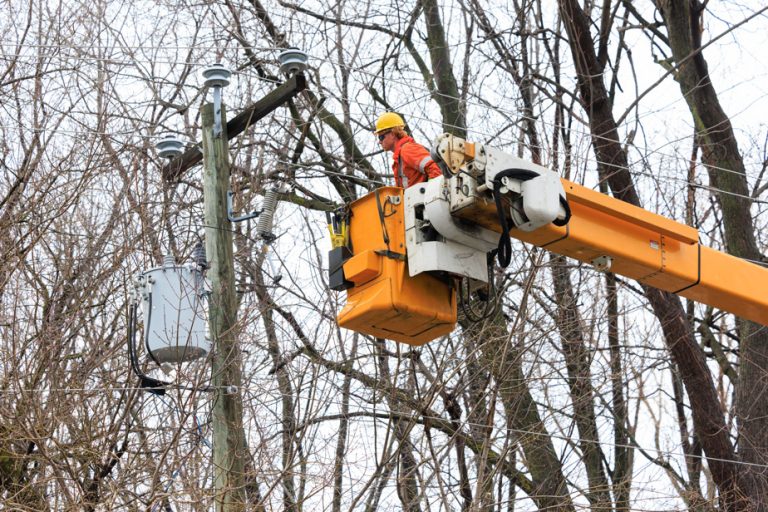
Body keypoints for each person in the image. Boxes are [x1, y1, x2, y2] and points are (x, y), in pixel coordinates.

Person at [374, 112, 442, 188]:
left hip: (423, 198)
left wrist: (431, 191)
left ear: (392, 134)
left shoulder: (407, 149)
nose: (379, 142)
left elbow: (434, 169)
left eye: (381, 137)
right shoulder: (398, 159)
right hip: (414, 198)